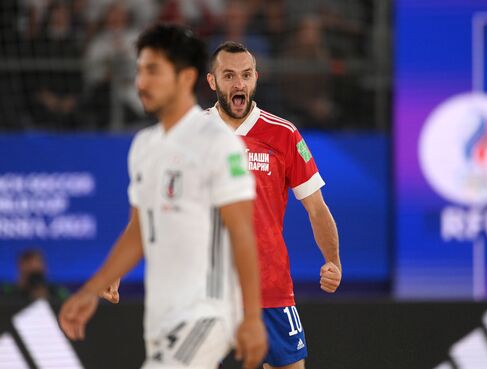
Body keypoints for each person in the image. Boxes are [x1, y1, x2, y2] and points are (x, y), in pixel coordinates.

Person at [58, 24, 267, 369]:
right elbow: (140, 230)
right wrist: (93, 287)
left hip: (208, 312)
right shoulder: (145, 147)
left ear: (185, 78)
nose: (141, 81)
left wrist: (252, 317)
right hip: (162, 316)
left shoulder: (217, 143)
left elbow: (242, 233)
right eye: (140, 70)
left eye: (153, 71)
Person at [206, 41, 342, 369]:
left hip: (270, 289)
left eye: (246, 75)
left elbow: (316, 207)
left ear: (256, 78)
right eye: (228, 75)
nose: (238, 83)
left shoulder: (284, 134)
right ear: (212, 81)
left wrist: (333, 261)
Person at [1, 248, 69, 302]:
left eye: (38, 275)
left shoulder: (58, 293)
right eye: (31, 275)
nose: (35, 280)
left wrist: (46, 298)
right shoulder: (7, 293)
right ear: (20, 269)